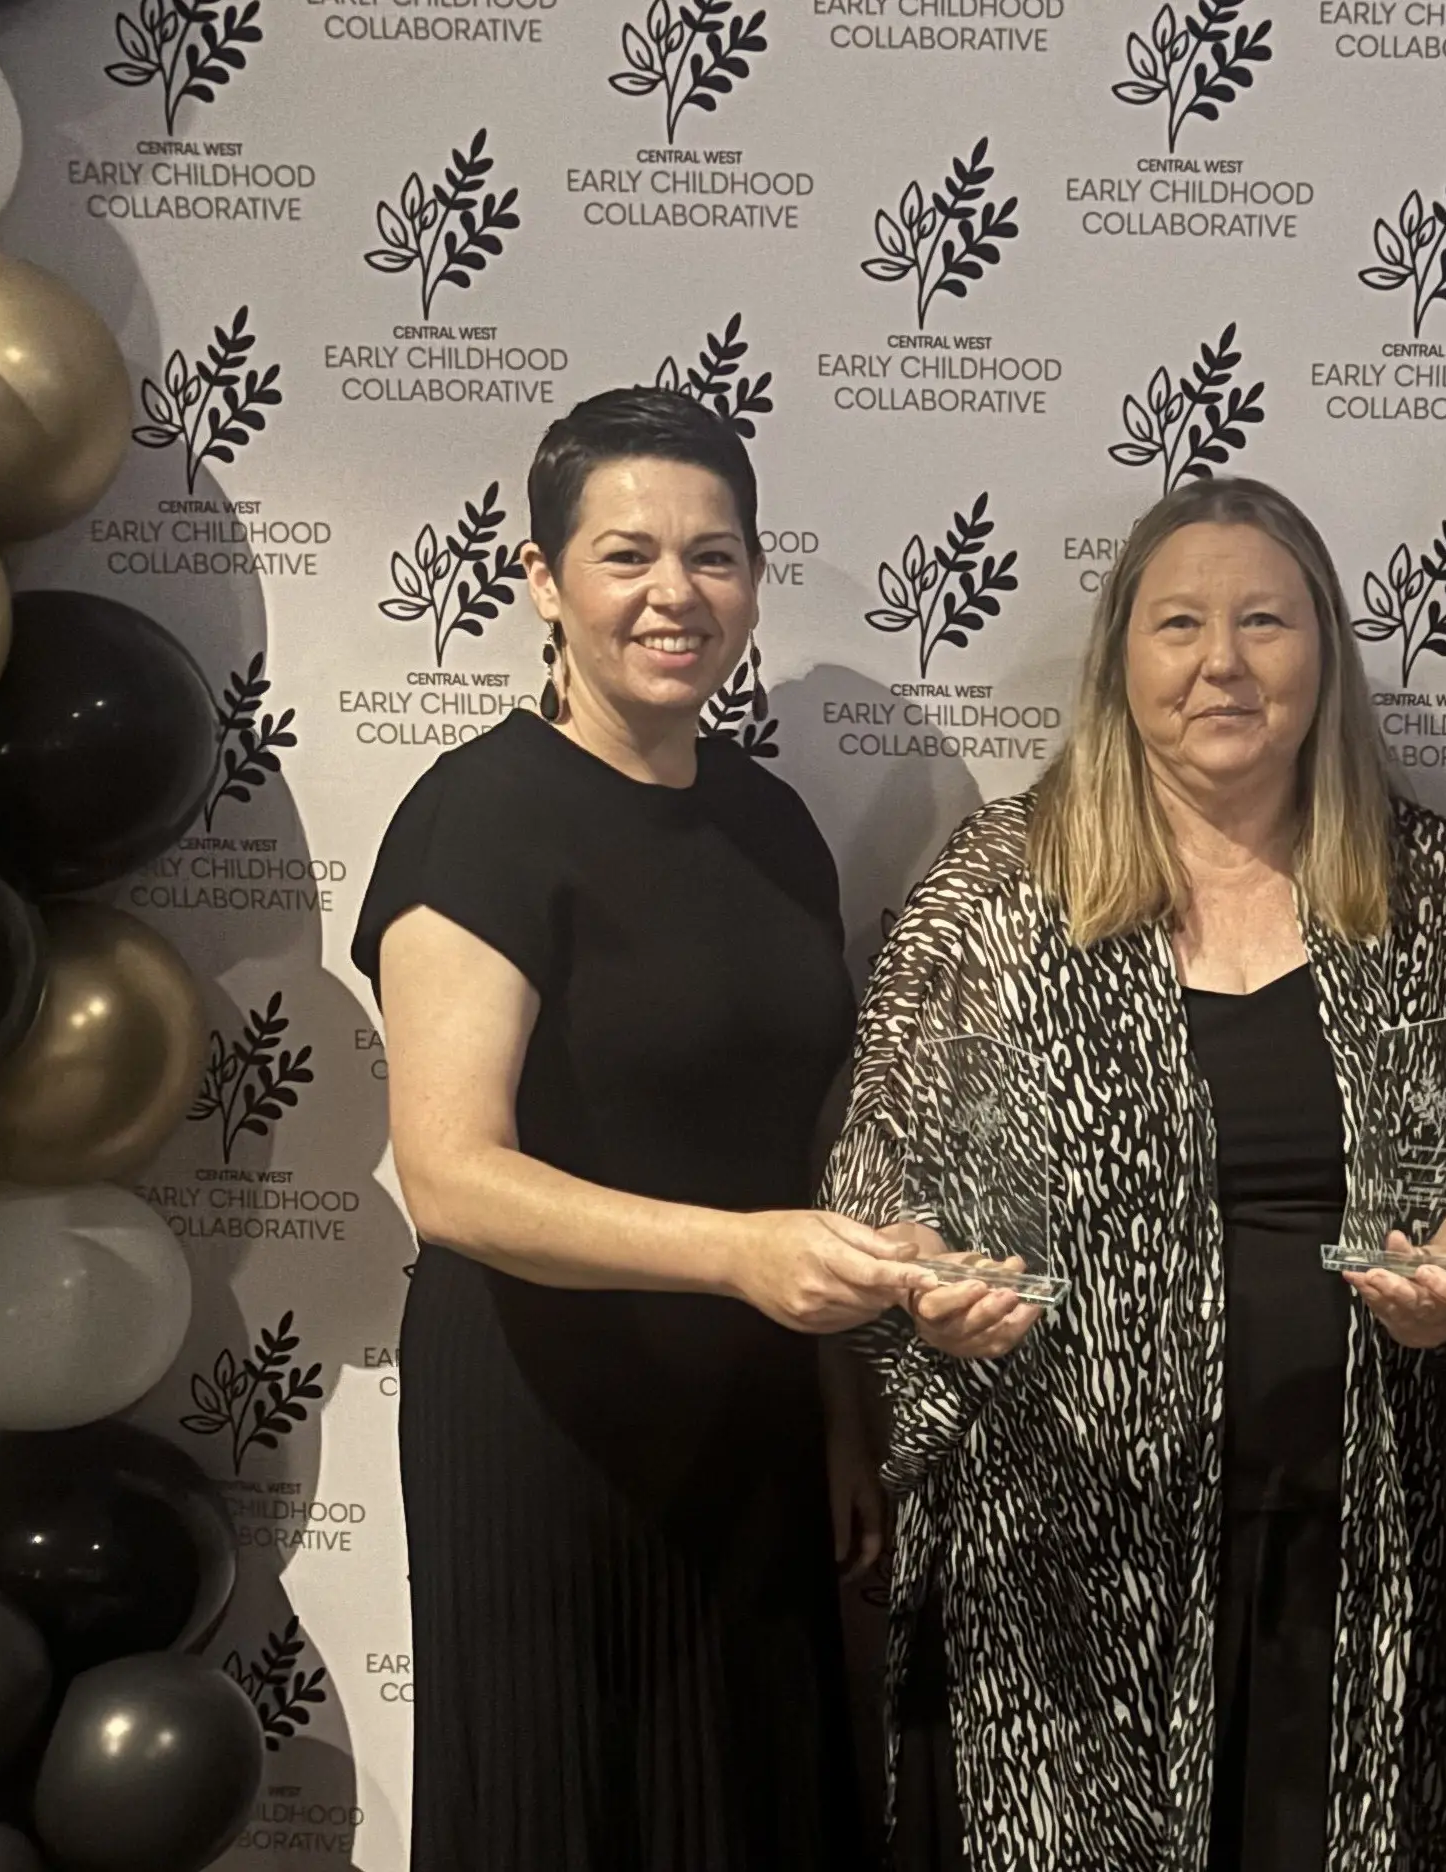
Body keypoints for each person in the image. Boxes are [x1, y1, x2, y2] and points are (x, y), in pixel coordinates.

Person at [822, 477, 1446, 1871]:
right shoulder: (1001, 890)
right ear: (1119, 660)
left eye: (1265, 620)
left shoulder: (1418, 884)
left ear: (1323, 646)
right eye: (1179, 622)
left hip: (1345, 1539)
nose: (1223, 662)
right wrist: (932, 1295)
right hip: (1064, 1555)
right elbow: (880, 1190)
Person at [352, 387, 923, 1871]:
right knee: (572, 1812)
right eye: (626, 555)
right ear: (542, 581)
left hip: (748, 1426)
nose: (676, 593)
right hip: (547, 1429)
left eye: (714, 554)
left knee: (755, 1807)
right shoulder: (478, 819)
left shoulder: (771, 824)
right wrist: (739, 1258)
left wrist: (837, 1407)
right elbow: (454, 1178)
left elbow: (789, 1140)